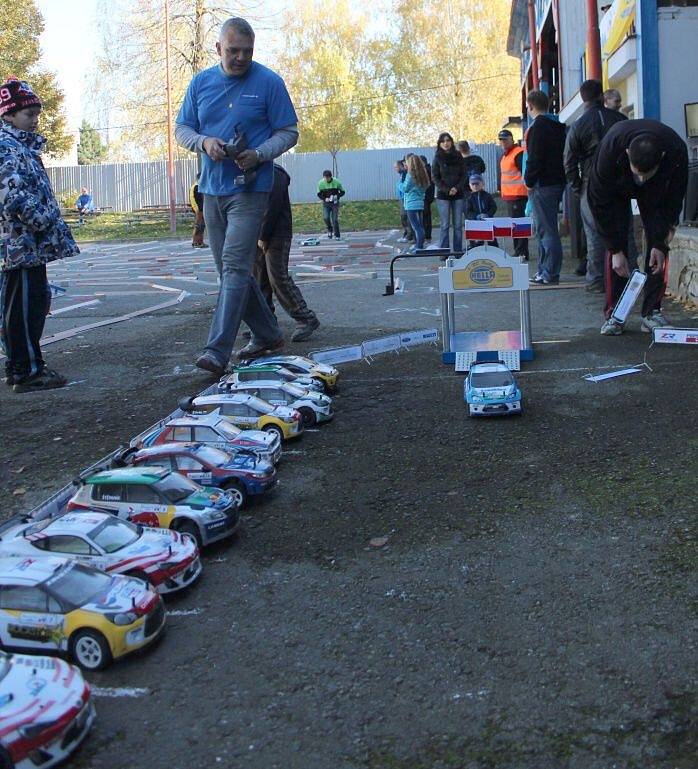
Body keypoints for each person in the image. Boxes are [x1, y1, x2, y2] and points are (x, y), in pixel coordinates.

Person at [175, 17, 299, 374]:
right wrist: (204, 142)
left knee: (233, 265)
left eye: (247, 51)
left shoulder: (269, 82)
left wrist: (260, 154)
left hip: (252, 188)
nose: (241, 58)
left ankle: (217, 350)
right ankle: (268, 334)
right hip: (211, 190)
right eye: (233, 51)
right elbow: (182, 129)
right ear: (218, 49)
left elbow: (289, 132)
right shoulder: (200, 84)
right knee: (233, 271)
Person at [0, 77, 79, 392]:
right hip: (19, 245)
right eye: (28, 114)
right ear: (8, 114)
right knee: (21, 307)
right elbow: (9, 192)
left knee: (34, 302)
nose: (34, 120)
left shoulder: (20, 146)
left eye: (36, 113)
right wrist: (41, 219)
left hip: (29, 245)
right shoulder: (6, 146)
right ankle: (27, 370)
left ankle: (22, 365)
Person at [587, 119, 689, 335]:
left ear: (661, 158)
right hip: (616, 188)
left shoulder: (676, 151)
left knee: (658, 248)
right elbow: (598, 203)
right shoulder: (610, 150)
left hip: (657, 191)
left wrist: (661, 242)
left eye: (645, 174)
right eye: (637, 173)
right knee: (617, 250)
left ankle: (652, 311)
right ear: (626, 153)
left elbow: (675, 197)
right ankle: (616, 314)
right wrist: (615, 249)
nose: (640, 179)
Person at [564, 79, 627, 292]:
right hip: (618, 185)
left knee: (594, 236)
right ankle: (628, 280)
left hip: (590, 186)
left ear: (583, 99)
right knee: (623, 232)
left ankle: (597, 281)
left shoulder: (578, 126)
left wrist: (578, 187)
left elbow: (569, 161)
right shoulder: (619, 120)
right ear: (602, 96)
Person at [255, 165, 320, 342]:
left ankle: (306, 318)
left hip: (276, 234)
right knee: (260, 278)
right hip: (257, 232)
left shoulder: (275, 174)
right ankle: (266, 323)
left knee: (278, 277)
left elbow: (272, 206)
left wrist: (263, 235)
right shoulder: (251, 171)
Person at [524, 90, 567, 285]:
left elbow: (534, 158)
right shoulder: (558, 126)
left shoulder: (537, 128)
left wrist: (529, 181)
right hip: (557, 181)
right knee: (547, 229)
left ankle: (548, 272)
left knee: (545, 230)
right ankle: (544, 271)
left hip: (542, 185)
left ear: (530, 106)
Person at [432, 132, 467, 253]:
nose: (446, 143)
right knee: (445, 225)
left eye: (448, 140)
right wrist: (447, 189)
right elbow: (435, 177)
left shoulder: (458, 156)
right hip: (443, 195)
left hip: (458, 194)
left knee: (457, 225)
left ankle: (458, 251)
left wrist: (456, 188)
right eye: (443, 141)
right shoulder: (437, 157)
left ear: (451, 142)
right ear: (440, 144)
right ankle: (444, 251)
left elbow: (464, 174)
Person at [497, 129, 529, 261]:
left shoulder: (518, 154)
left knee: (519, 226)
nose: (503, 142)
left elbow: (525, 173)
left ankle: (521, 252)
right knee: (516, 226)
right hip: (511, 196)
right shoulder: (506, 155)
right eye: (501, 140)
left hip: (518, 195)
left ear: (511, 139)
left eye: (505, 139)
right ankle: (520, 251)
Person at [399, 154, 429, 250]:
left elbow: (405, 188)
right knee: (420, 225)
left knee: (416, 226)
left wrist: (399, 184)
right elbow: (424, 188)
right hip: (420, 203)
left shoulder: (410, 175)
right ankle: (420, 244)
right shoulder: (423, 174)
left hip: (411, 204)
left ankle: (419, 246)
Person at [464, 173, 498, 248]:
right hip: (474, 223)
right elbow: (467, 212)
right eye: (473, 184)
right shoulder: (469, 198)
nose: (475, 186)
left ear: (482, 184)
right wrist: (476, 216)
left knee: (492, 240)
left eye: (477, 184)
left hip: (487, 222)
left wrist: (488, 214)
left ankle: (495, 254)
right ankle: (475, 254)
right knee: (476, 243)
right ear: (469, 185)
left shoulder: (487, 196)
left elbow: (493, 207)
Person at [316, 170, 345, 240]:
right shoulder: (320, 183)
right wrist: (324, 198)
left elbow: (343, 192)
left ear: (331, 177)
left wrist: (336, 196)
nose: (326, 179)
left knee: (334, 219)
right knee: (326, 217)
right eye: (325, 178)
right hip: (326, 203)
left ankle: (337, 235)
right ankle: (330, 230)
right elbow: (319, 194)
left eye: (327, 178)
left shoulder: (337, 182)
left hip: (335, 203)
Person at [394, 159, 414, 242]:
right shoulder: (402, 174)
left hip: (405, 198)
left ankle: (409, 235)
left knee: (405, 217)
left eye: (396, 167)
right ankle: (407, 234)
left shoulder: (405, 174)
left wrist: (399, 185)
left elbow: (404, 187)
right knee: (403, 217)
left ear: (401, 166)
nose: (395, 169)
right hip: (401, 198)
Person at [189, 173, 208, 248]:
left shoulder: (200, 187)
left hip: (202, 209)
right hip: (199, 210)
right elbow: (193, 199)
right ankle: (195, 242)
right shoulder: (195, 187)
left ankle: (200, 242)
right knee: (198, 226)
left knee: (202, 226)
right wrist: (197, 210)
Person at [419, 155, 434, 243]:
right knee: (426, 216)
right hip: (428, 196)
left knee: (425, 216)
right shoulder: (429, 169)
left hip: (426, 196)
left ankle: (427, 236)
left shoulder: (426, 171)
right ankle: (427, 236)